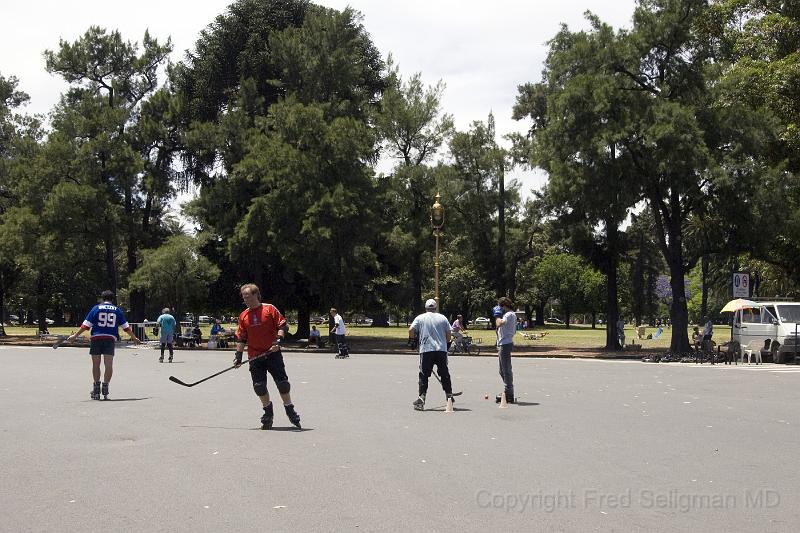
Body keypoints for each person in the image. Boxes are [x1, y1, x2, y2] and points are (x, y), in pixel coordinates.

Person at [234, 283, 301, 429]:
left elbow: (282, 325)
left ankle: (289, 408)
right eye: (244, 298)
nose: (246, 300)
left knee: (282, 384)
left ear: (256, 295)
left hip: (272, 353)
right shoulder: (243, 315)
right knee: (259, 387)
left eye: (248, 297)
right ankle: (267, 411)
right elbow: (241, 338)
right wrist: (238, 356)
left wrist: (278, 341)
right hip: (255, 356)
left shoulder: (269, 309)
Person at [66, 290, 140, 400]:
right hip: (110, 339)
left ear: (102, 298)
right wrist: (134, 337)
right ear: (112, 299)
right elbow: (126, 327)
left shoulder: (96, 308)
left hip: (96, 337)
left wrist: (75, 336)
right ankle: (105, 387)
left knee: (96, 364)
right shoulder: (117, 310)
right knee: (108, 364)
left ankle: (96, 388)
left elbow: (86, 325)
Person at [409, 299, 454, 411]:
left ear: (426, 308)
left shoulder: (420, 318)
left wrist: (412, 340)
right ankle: (449, 395)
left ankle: (421, 398)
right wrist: (447, 344)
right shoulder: (442, 318)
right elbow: (449, 333)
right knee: (444, 373)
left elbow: (411, 329)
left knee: (424, 375)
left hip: (426, 350)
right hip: (441, 350)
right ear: (435, 307)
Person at [493, 296, 517, 404]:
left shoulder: (509, 314)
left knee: (506, 369)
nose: (499, 309)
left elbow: (499, 323)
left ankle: (509, 393)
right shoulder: (509, 314)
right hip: (503, 343)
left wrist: (497, 315)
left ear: (504, 306)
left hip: (505, 344)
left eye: (500, 306)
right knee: (501, 370)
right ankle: (507, 390)